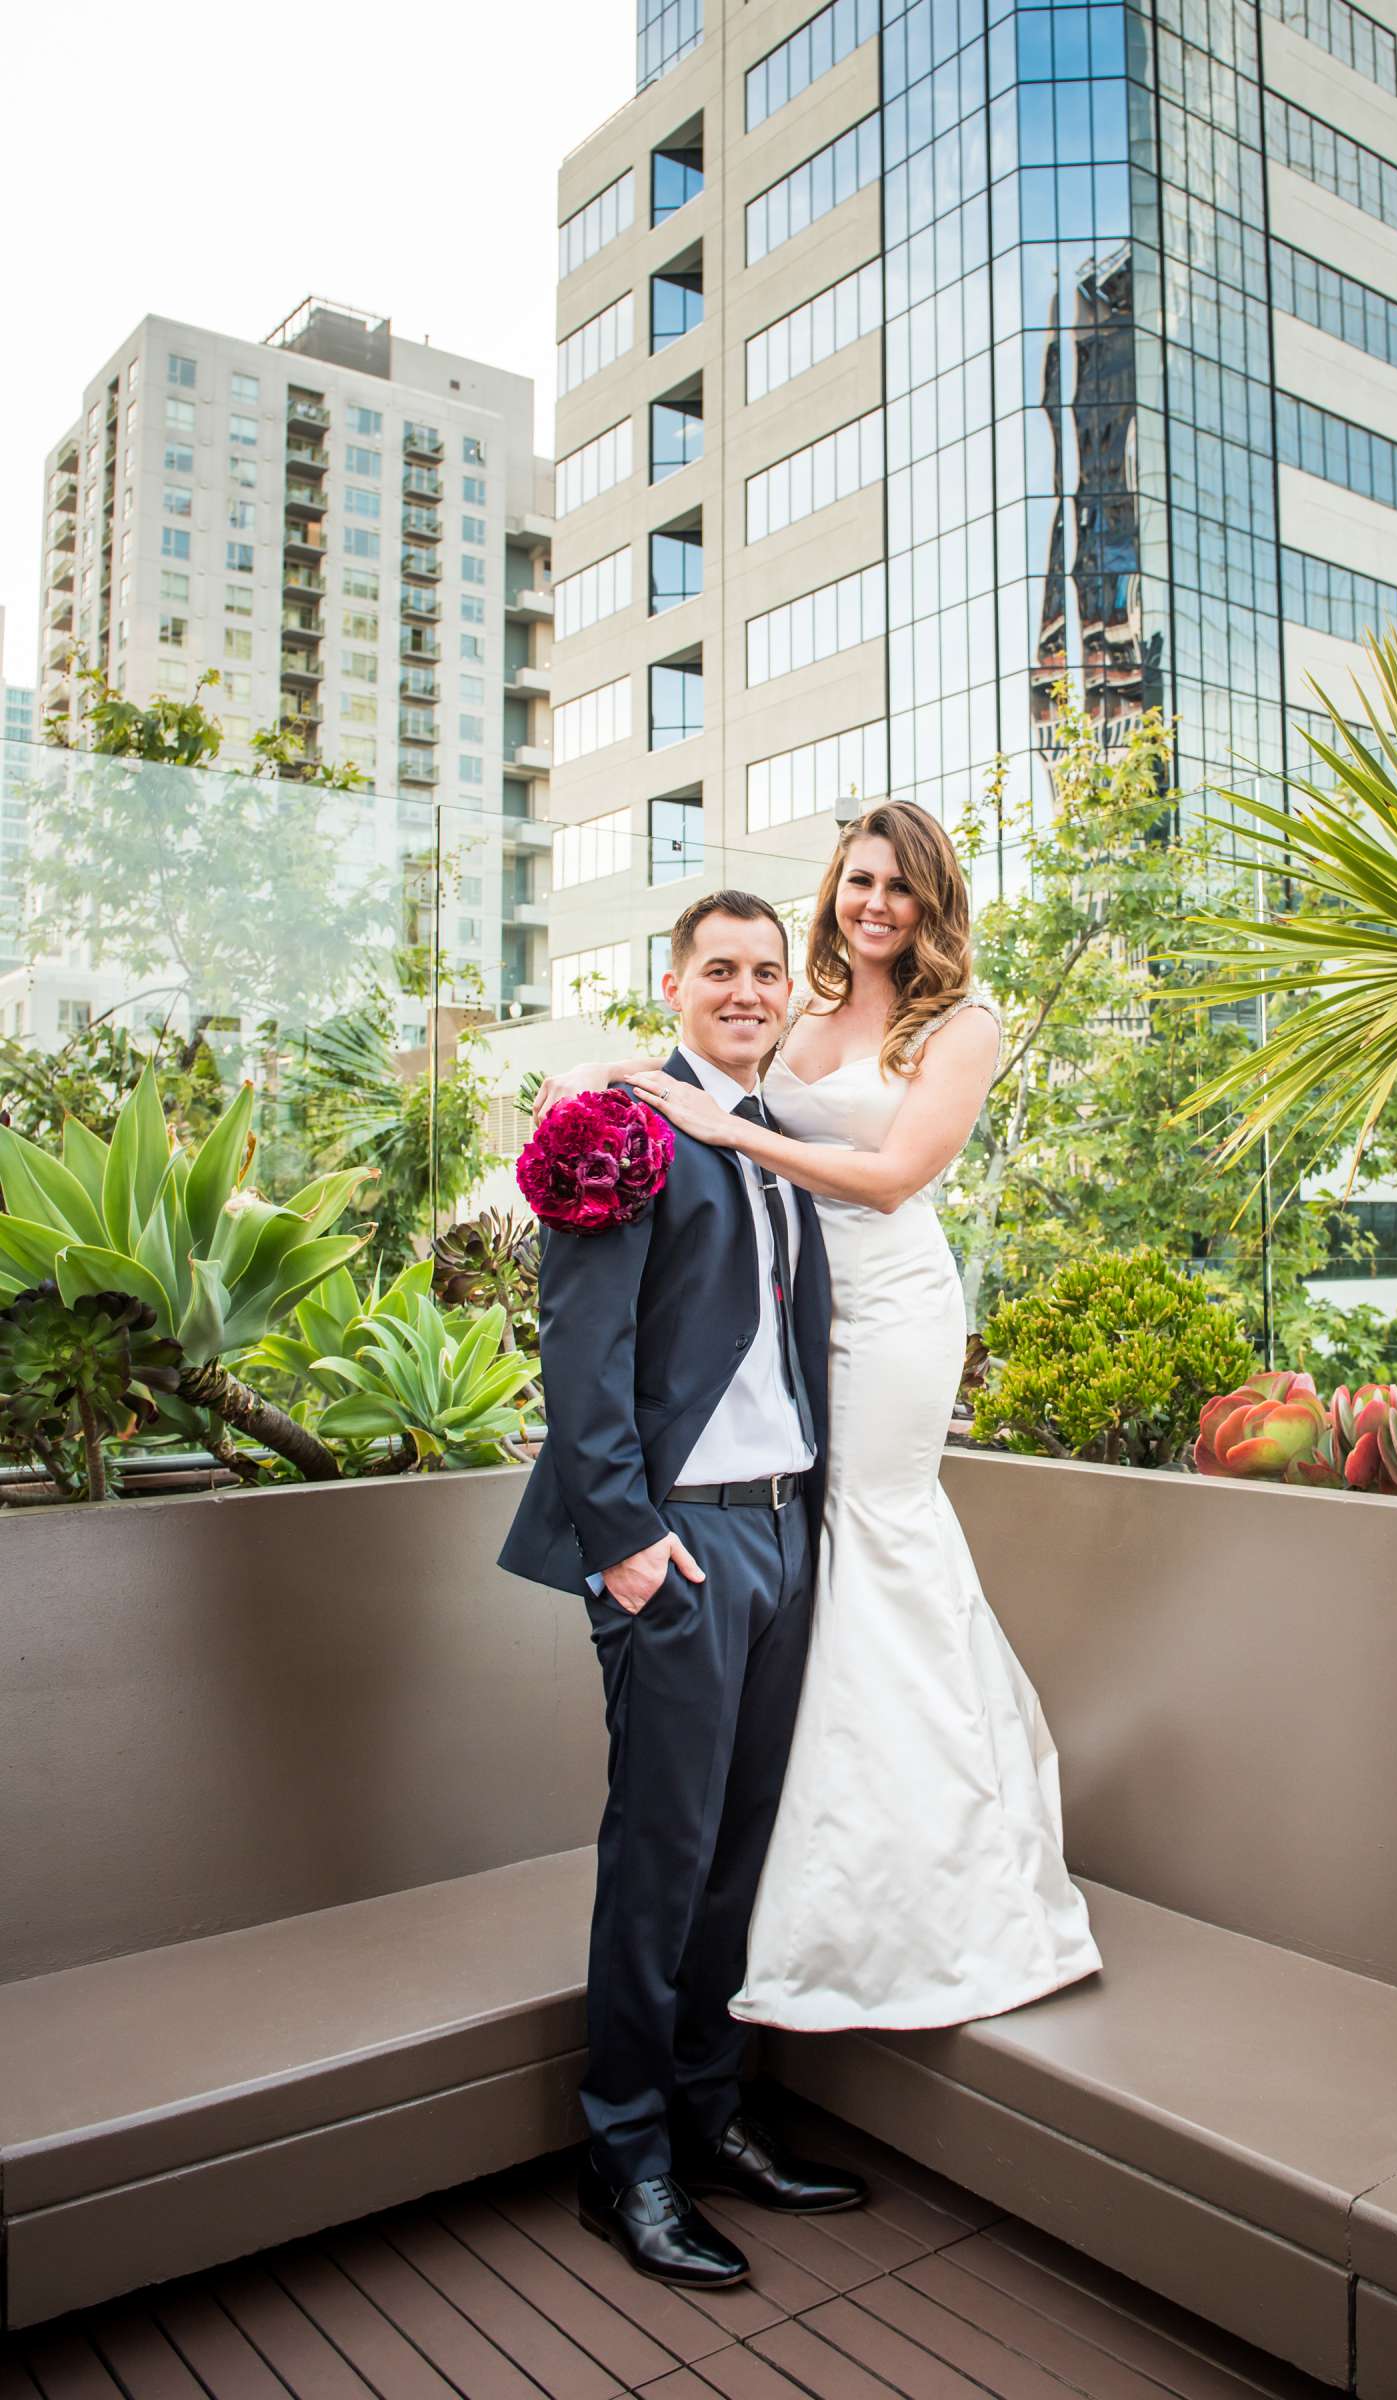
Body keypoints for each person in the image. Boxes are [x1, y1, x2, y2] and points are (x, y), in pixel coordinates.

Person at [536, 800, 1102, 2034]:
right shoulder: (795, 1006)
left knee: (876, 1537)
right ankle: (790, 1874)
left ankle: (925, 1879)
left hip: (890, 1306)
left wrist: (733, 1131)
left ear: (933, 899)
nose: (876, 905)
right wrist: (592, 1077)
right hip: (786, 1297)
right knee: (808, 1552)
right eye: (858, 882)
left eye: (900, 887)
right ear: (833, 892)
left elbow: (897, 1174)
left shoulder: (961, 1023)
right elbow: (695, 1054)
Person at [498, 889, 866, 2292]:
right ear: (674, 982)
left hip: (785, 1535)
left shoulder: (776, 1139)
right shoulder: (620, 1128)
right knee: (661, 1858)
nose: (747, 989)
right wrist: (630, 1541)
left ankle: (717, 2116)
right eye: (721, 968)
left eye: (768, 971)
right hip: (682, 1548)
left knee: (741, 1850)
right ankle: (627, 2158)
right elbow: (578, 1352)